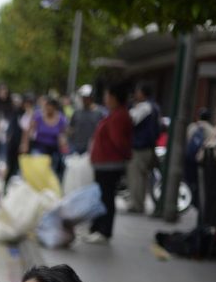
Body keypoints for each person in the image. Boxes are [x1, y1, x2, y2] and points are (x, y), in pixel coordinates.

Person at [86, 82, 132, 244]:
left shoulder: (119, 116)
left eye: (107, 95)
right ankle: (97, 227)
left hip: (109, 165)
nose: (105, 98)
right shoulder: (114, 114)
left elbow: (119, 141)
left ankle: (103, 230)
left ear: (114, 97)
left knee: (106, 197)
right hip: (104, 163)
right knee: (102, 196)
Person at [126, 84, 160, 214]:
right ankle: (138, 203)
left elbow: (131, 120)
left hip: (140, 148)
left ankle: (137, 204)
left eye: (137, 92)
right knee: (142, 177)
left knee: (136, 177)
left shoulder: (144, 107)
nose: (135, 94)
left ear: (143, 93)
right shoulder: (154, 106)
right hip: (148, 147)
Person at [23, 96, 69, 180]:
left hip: (54, 148)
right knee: (38, 168)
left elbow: (63, 134)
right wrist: (25, 144)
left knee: (52, 171)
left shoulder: (61, 119)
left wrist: (63, 144)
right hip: (39, 146)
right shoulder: (38, 116)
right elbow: (28, 130)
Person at [68, 84, 105, 155]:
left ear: (91, 98)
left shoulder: (100, 113)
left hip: (92, 147)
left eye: (86, 97)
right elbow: (71, 128)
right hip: (76, 147)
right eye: (83, 97)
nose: (84, 99)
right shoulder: (76, 112)